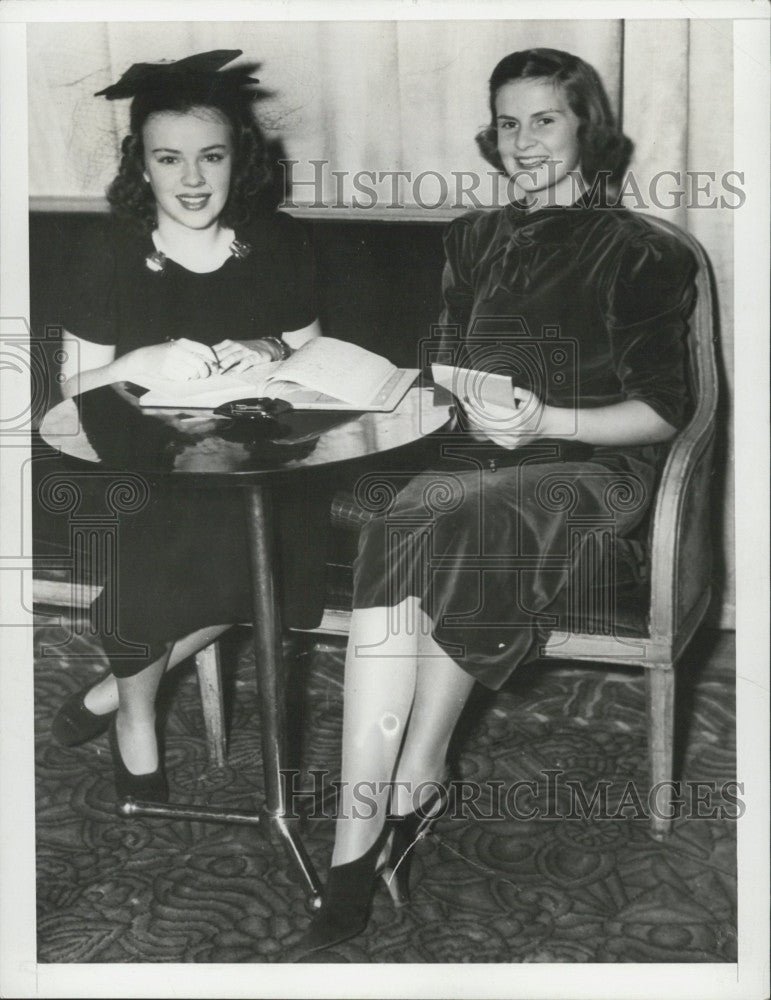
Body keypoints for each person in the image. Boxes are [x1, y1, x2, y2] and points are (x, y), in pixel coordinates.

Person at [294, 47, 697, 958]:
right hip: (482, 455)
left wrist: (548, 416)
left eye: (543, 119)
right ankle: (357, 838)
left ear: (586, 129)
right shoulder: (473, 239)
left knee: (471, 518)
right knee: (403, 518)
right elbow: (444, 360)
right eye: (507, 123)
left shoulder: (644, 250)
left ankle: (420, 770)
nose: (523, 141)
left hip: (591, 467)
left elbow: (664, 411)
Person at [50, 50, 325, 802]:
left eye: (212, 156)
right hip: (133, 451)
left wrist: (267, 345)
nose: (193, 179)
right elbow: (70, 386)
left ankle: (109, 693)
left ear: (241, 159)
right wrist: (141, 357)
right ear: (141, 164)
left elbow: (309, 350)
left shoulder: (274, 240)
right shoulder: (106, 249)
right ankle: (135, 718)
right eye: (170, 159)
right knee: (156, 556)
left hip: (247, 456)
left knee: (283, 569)